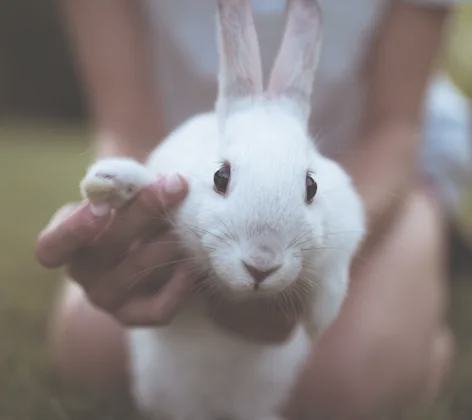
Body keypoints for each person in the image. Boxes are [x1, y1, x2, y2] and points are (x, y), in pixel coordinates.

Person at [36, 0, 472, 418]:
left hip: (377, 164)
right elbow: (126, 127)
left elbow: (394, 127)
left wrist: (327, 266)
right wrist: (129, 220)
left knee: (342, 386)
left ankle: (424, 266)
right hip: (198, 157)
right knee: (92, 348)